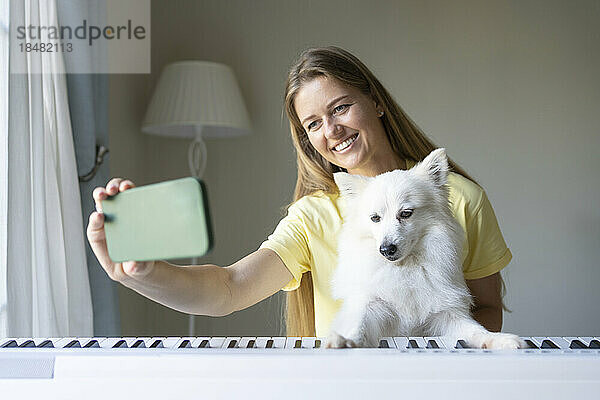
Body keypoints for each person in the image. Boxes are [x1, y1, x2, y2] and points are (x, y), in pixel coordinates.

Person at [87, 46, 513, 339]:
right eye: (313, 123)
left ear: (376, 102)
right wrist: (143, 273)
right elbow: (230, 287)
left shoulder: (460, 199)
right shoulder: (313, 216)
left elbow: (487, 312)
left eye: (340, 107)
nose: (331, 131)